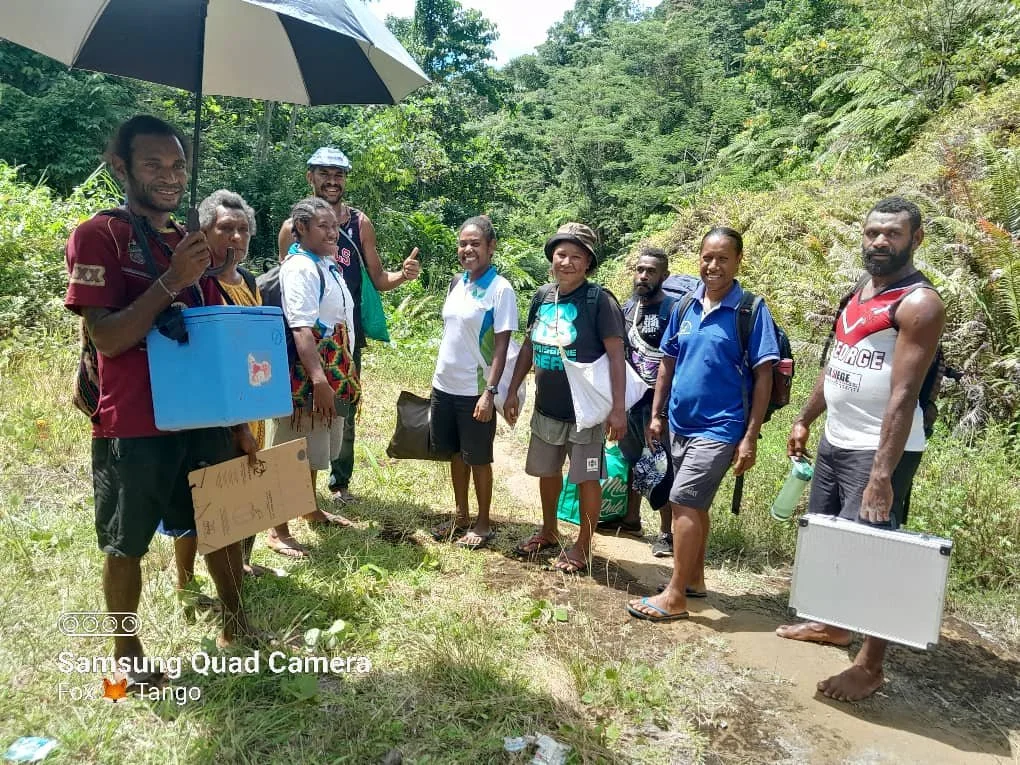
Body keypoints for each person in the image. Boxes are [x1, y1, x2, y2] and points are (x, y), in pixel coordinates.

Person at [64, 115, 255, 676]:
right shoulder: (97, 236)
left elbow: (207, 333)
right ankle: (125, 659)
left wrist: (239, 417)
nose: (170, 177)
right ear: (120, 166)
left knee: (218, 521)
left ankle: (237, 623)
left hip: (203, 414)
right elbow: (108, 336)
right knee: (126, 543)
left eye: (177, 165)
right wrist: (170, 280)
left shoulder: (184, 241)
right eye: (153, 164)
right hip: (135, 420)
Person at [775, 197, 946, 702]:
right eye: (872, 232)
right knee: (832, 540)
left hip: (879, 451)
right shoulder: (860, 291)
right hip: (838, 438)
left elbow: (903, 395)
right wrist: (807, 418)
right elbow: (838, 362)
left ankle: (870, 666)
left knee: (874, 549)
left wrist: (881, 474)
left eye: (892, 233)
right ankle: (834, 625)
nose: (879, 242)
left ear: (916, 239)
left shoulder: (918, 304)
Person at [628, 227, 779, 622]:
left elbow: (764, 376)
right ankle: (693, 580)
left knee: (684, 501)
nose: (713, 266)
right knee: (695, 506)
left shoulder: (750, 310)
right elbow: (667, 362)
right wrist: (658, 414)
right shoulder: (686, 306)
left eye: (723, 258)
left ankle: (675, 595)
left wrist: (750, 437)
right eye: (707, 258)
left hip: (721, 426)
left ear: (738, 261)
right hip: (680, 422)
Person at [277, 147, 420, 508]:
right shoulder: (293, 229)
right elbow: (291, 285)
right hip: (307, 338)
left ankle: (339, 482)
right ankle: (293, 498)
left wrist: (404, 275)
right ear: (310, 176)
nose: (332, 180)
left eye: (338, 174)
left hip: (345, 337)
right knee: (302, 410)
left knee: (344, 406)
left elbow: (378, 277)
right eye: (324, 173)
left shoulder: (359, 223)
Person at [159, 189, 270, 602]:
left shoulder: (250, 281)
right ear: (203, 231)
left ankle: (237, 563)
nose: (236, 238)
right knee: (198, 492)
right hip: (206, 405)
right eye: (226, 229)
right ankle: (185, 580)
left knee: (243, 484)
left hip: (248, 399)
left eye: (243, 230)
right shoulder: (195, 285)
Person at [503, 223, 627, 575]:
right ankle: (549, 529)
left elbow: (617, 357)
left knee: (586, 477)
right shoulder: (542, 296)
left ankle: (583, 545)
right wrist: (512, 389)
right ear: (551, 259)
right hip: (547, 409)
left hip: (585, 414)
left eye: (576, 256)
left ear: (588, 262)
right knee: (547, 472)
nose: (567, 262)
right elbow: (529, 345)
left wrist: (617, 410)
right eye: (561, 254)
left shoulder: (599, 300)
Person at [265, 197, 361, 555]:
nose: (332, 232)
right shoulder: (301, 268)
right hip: (307, 375)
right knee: (293, 447)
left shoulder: (325, 264)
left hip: (329, 368)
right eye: (323, 226)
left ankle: (308, 507)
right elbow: (301, 328)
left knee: (314, 444)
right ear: (300, 229)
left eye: (335, 225)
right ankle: (278, 530)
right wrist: (319, 381)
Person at [428, 216, 518, 549]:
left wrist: (489, 391)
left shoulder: (501, 290)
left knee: (478, 458)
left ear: (491, 247)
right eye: (463, 243)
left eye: (475, 244)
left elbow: (501, 346)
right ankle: (460, 515)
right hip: (444, 386)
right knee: (454, 453)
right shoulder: (457, 282)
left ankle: (483, 522)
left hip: (475, 390)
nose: (468, 249)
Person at [597, 247, 678, 557]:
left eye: (651, 271)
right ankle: (631, 519)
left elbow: (673, 361)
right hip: (629, 401)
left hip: (660, 405)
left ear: (664, 276)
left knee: (660, 464)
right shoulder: (630, 307)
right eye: (640, 270)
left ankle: (667, 534)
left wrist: (660, 410)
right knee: (633, 457)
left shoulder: (673, 310)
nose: (643, 276)